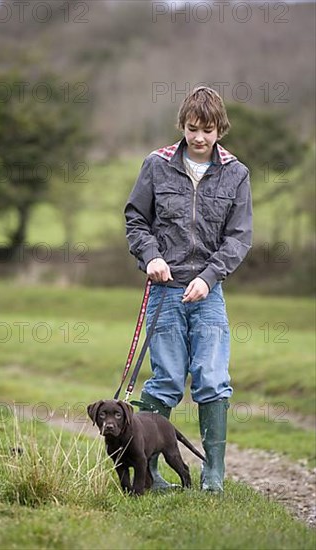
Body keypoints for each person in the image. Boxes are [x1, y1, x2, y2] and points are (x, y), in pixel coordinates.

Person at [124, 86, 252, 492]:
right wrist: (152, 257)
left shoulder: (236, 173)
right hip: (164, 291)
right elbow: (136, 220)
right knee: (165, 381)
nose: (199, 137)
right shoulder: (156, 165)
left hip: (208, 294)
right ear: (182, 125)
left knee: (212, 378)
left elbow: (239, 238)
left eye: (208, 130)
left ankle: (213, 470)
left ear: (220, 130)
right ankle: (150, 468)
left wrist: (209, 277)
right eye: (193, 128)